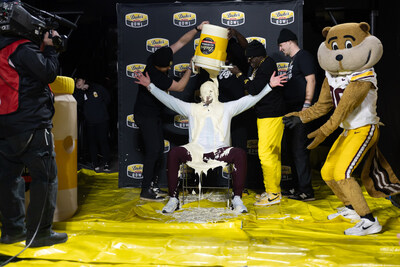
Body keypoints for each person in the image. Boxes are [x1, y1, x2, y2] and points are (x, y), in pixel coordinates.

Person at [134, 70, 287, 213]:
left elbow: (250, 100)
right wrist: (150, 86)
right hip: (195, 151)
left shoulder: (227, 108)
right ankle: (173, 199)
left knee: (239, 153)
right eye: (205, 92)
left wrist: (268, 86)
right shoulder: (191, 109)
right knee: (174, 153)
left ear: (217, 92)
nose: (208, 94)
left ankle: (237, 199)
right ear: (200, 95)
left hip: (219, 151)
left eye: (211, 91)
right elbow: (169, 100)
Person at [0, 30, 68, 247]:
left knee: (8, 179)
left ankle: (13, 231)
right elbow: (49, 73)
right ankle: (40, 233)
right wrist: (49, 48)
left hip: (5, 124)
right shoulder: (21, 48)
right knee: (45, 178)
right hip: (31, 123)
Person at [134, 21, 209, 201]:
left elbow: (181, 42)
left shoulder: (157, 57)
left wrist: (197, 29)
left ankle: (152, 186)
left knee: (158, 149)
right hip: (146, 116)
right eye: (166, 68)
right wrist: (190, 68)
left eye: (169, 65)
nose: (169, 69)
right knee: (153, 151)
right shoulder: (155, 76)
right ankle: (145, 190)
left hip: (155, 114)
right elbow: (181, 87)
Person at [231, 40, 286, 206]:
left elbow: (254, 89)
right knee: (271, 154)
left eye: (250, 59)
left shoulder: (266, 65)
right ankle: (273, 190)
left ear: (259, 56)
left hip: (271, 115)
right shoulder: (260, 64)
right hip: (266, 115)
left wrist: (240, 75)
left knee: (265, 154)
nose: (249, 61)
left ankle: (273, 193)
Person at [277, 28, 317, 201]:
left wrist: (306, 106)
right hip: (292, 111)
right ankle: (295, 187)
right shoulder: (293, 61)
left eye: (281, 45)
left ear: (289, 41)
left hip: (302, 111)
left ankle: (307, 191)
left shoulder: (304, 56)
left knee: (300, 151)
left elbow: (311, 80)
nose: (280, 49)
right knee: (292, 150)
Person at [73, 77, 111, 172]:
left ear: (84, 80)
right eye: (76, 81)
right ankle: (95, 163)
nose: (77, 83)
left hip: (102, 120)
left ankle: (107, 163)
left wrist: (101, 111)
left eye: (79, 80)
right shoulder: (79, 92)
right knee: (92, 143)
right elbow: (78, 103)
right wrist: (81, 91)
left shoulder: (97, 88)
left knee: (103, 141)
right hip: (90, 122)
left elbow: (108, 99)